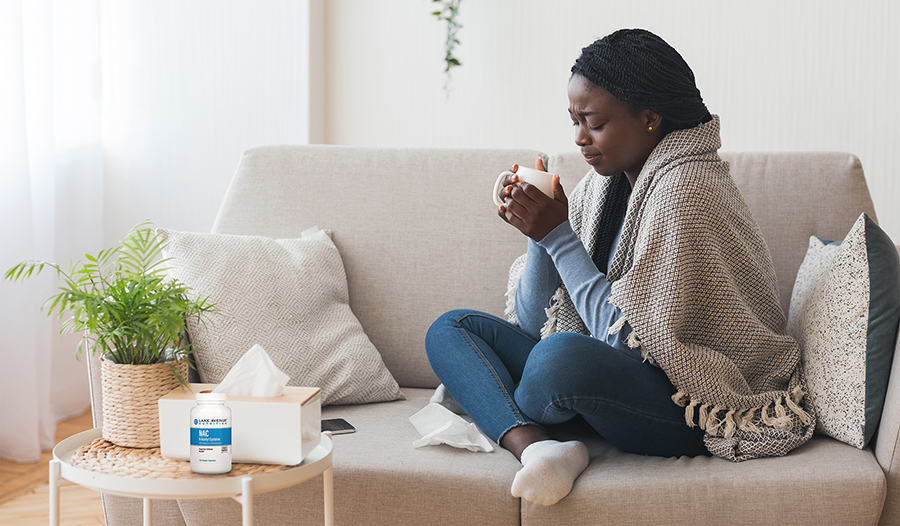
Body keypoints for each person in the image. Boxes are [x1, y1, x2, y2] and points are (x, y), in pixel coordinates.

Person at [425, 28, 814, 507]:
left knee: (558, 358)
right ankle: (539, 449)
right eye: (574, 121)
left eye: (593, 122)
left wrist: (556, 235)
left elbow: (627, 344)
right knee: (450, 329)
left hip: (686, 403)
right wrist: (538, 236)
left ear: (650, 118)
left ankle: (508, 411)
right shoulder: (600, 187)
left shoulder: (685, 191)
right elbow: (531, 322)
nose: (579, 138)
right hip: (599, 380)